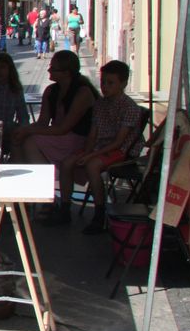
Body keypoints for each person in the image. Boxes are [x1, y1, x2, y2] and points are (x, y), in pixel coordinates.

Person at [12, 50, 98, 222]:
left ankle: (46, 195)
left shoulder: (82, 93)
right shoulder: (51, 91)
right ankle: (25, 195)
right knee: (19, 141)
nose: (49, 70)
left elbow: (64, 128)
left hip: (79, 139)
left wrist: (28, 131)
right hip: (60, 138)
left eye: (53, 68)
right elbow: (43, 122)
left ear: (66, 72)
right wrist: (23, 130)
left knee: (30, 142)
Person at [62, 60, 144, 233]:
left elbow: (119, 142)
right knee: (67, 162)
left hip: (123, 151)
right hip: (101, 146)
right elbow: (93, 133)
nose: (105, 87)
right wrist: (86, 151)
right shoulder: (100, 104)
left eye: (110, 83)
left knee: (92, 165)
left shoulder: (130, 108)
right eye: (103, 82)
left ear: (123, 84)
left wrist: (91, 155)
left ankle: (99, 213)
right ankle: (64, 208)